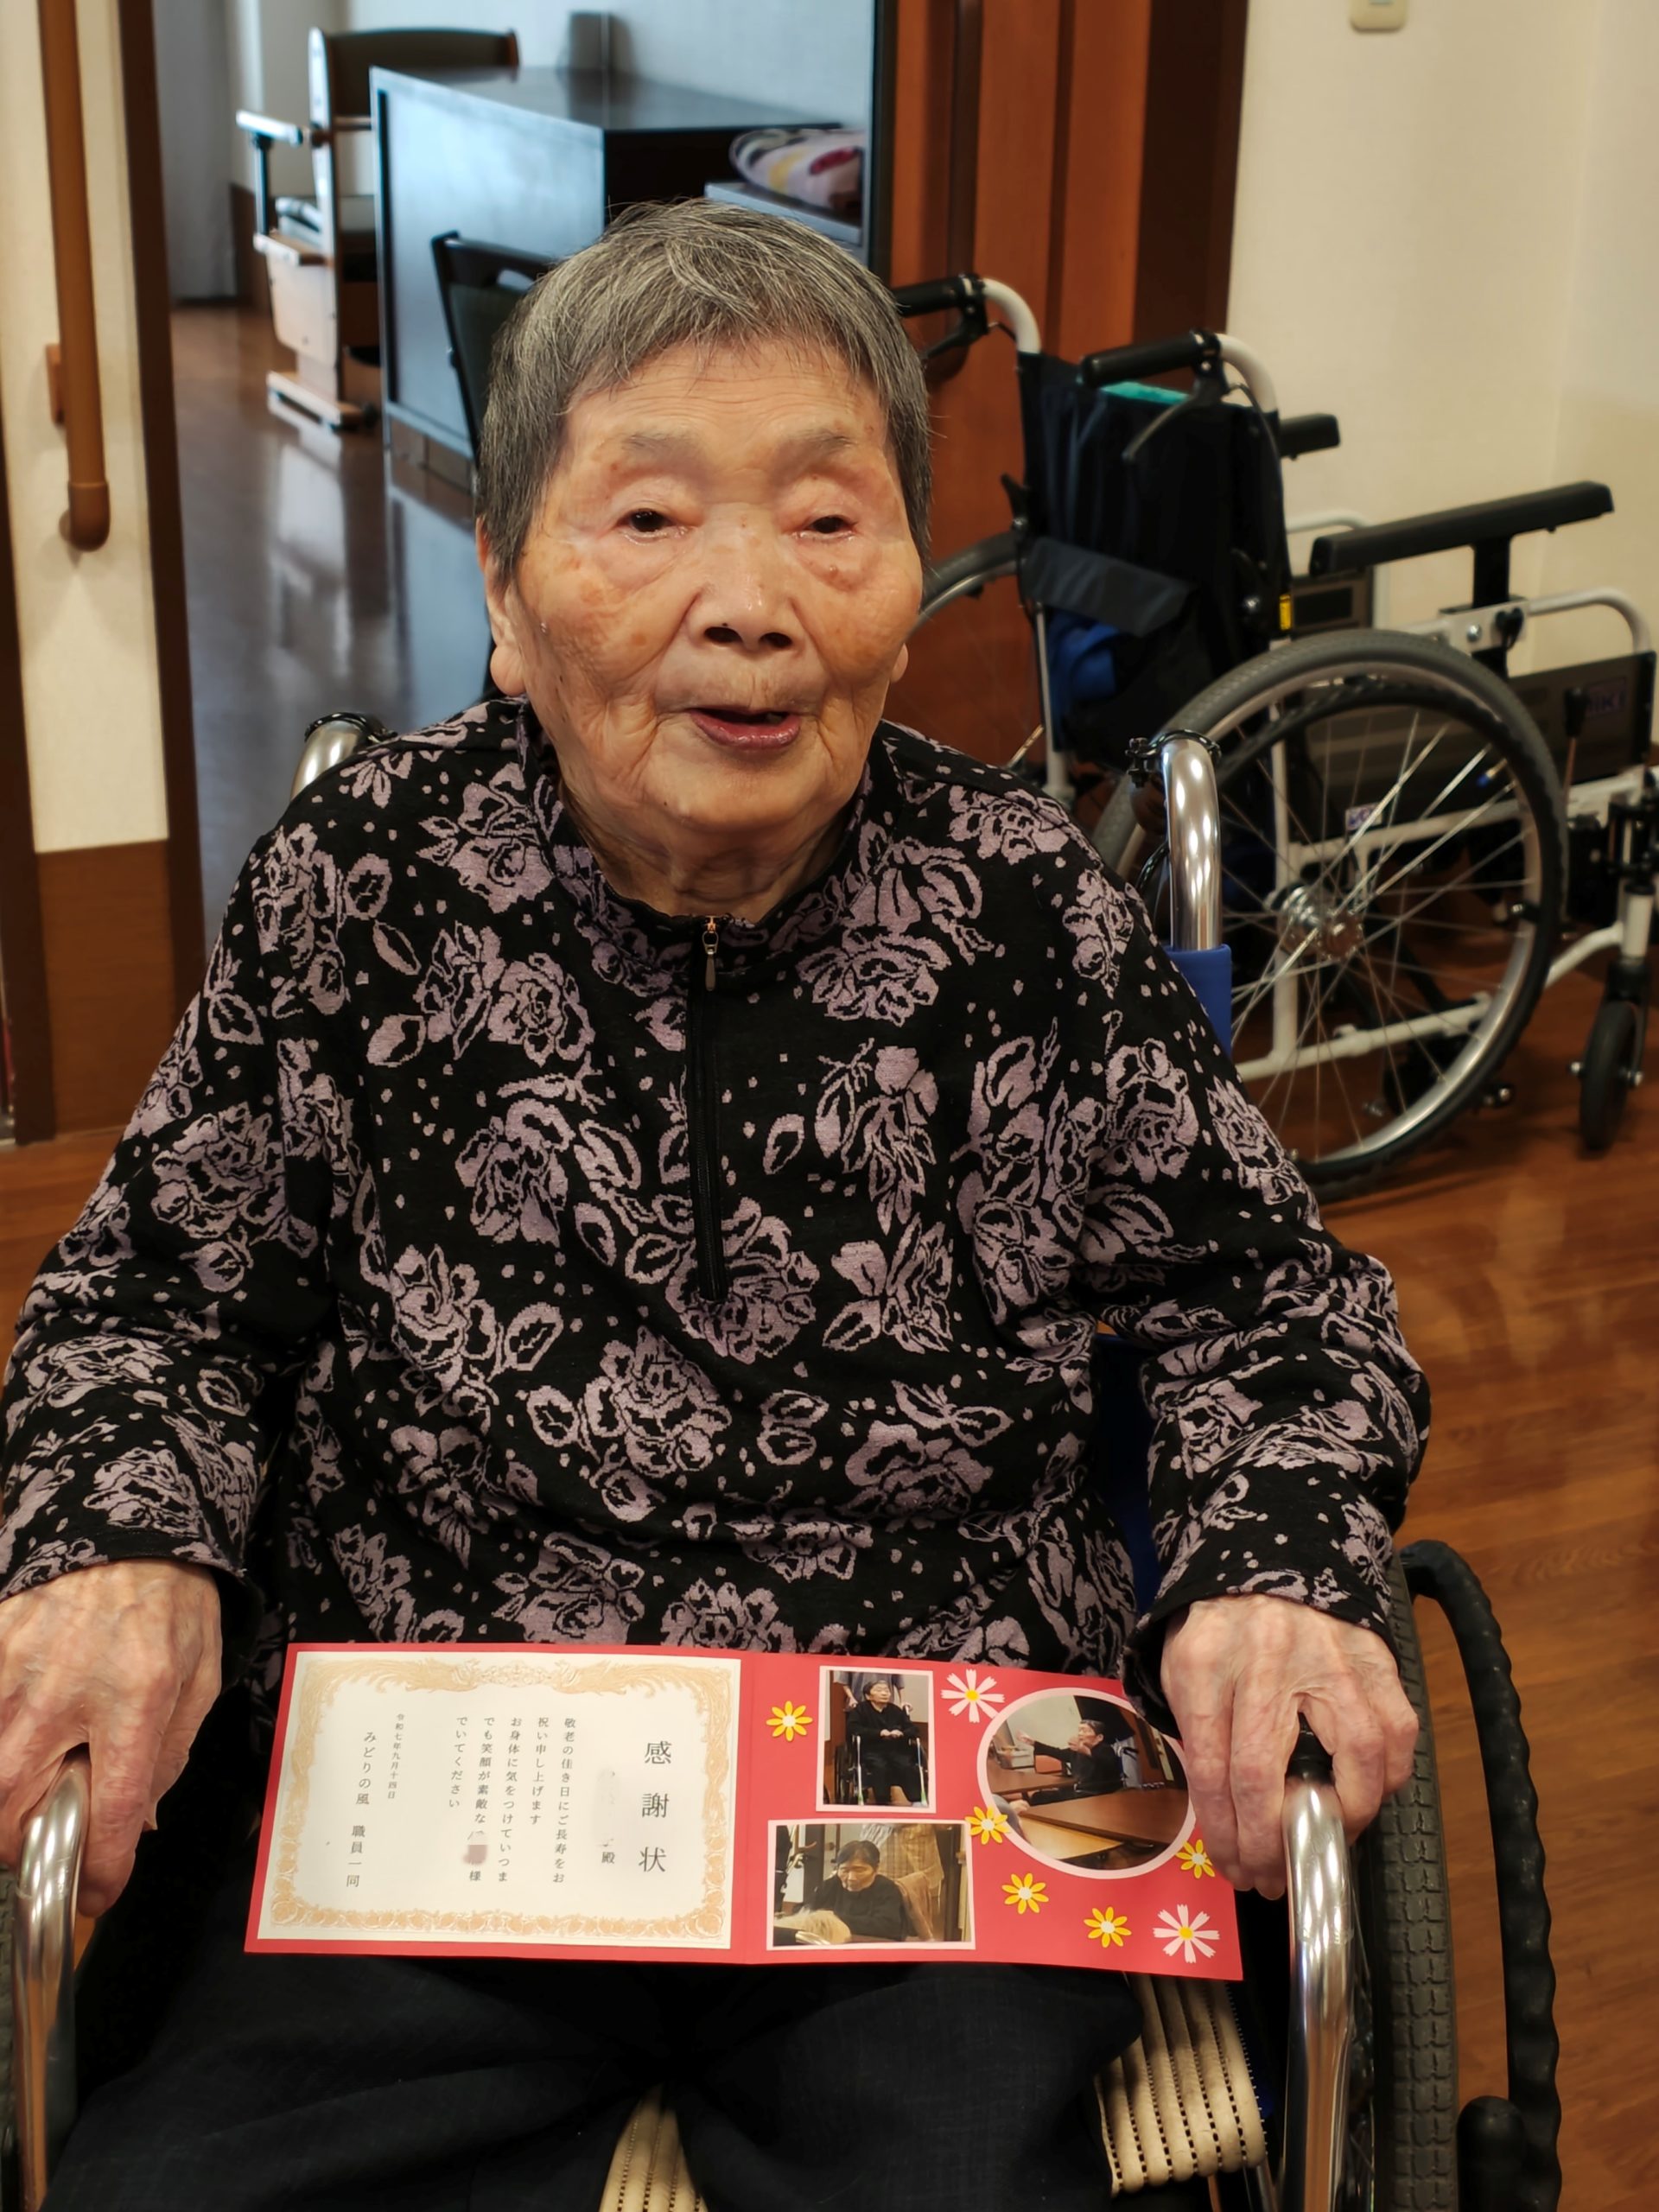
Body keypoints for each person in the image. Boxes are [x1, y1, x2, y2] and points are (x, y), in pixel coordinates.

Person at [0, 201, 1427, 2212]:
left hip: (931, 1782)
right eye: (651, 517)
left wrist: (1273, 1562)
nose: (749, 603)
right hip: (450, 1777)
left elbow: (1268, 1302)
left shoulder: (1029, 910)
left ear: (910, 585)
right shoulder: (363, 885)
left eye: (828, 520)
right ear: (506, 585)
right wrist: (121, 1537)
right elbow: (159, 1291)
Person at [807, 1840, 910, 1942]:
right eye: (845, 1870)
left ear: (876, 1869)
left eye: (859, 1870)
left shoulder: (886, 1888)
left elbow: (889, 1927)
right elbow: (807, 1913)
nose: (851, 1878)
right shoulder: (830, 1885)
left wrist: (832, 1920)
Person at [844, 1678, 925, 1804]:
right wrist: (879, 1733)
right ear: (868, 1696)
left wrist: (902, 1733)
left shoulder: (895, 1710)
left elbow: (913, 1729)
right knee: (879, 1767)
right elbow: (853, 1728)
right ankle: (882, 1800)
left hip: (896, 1749)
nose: (884, 1693)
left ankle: (916, 1800)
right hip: (871, 1750)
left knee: (906, 1765)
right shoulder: (860, 1710)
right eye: (879, 1690)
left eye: (887, 1691)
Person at [1004, 1717, 1121, 1804]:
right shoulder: (1076, 1750)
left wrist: (1084, 1750)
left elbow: (1107, 1764)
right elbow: (1056, 1752)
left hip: (1098, 1793)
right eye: (1079, 1730)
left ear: (1099, 1737)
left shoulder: (1106, 1749)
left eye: (1085, 1731)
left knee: (1050, 1799)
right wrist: (1033, 1743)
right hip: (1078, 1791)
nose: (1080, 1734)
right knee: (1039, 1796)